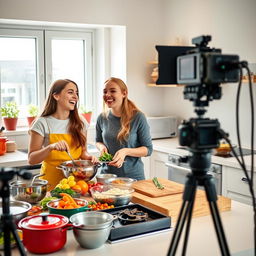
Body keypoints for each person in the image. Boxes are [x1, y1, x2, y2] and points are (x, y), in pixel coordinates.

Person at [28, 79, 98, 190]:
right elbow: (31, 159)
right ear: (56, 96)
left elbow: (83, 152)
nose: (76, 96)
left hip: (77, 183)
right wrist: (50, 147)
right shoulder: (42, 123)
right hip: (51, 183)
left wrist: (89, 158)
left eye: (77, 93)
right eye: (70, 92)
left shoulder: (81, 122)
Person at [95, 77, 153, 180]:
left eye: (112, 91)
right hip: (106, 177)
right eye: (105, 92)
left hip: (132, 178)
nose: (107, 95)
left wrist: (126, 151)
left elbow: (148, 149)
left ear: (124, 93)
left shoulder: (138, 117)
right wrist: (101, 148)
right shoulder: (102, 118)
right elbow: (98, 141)